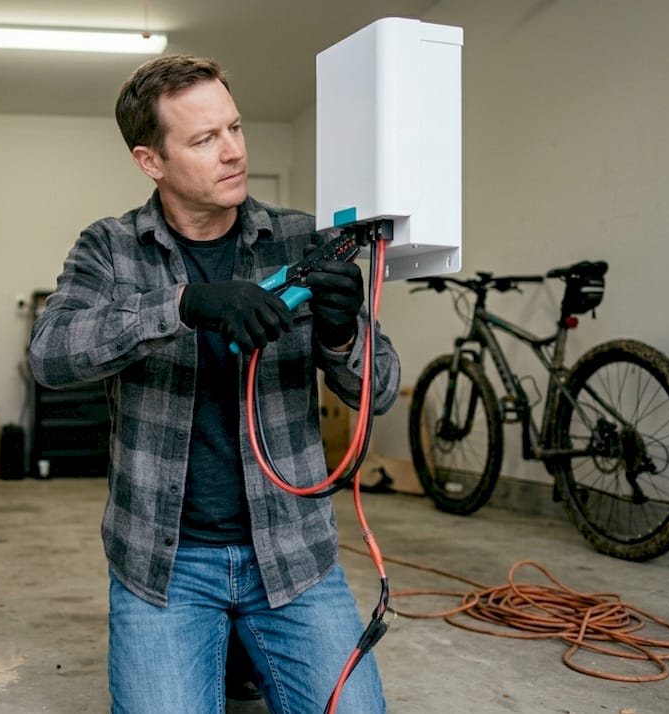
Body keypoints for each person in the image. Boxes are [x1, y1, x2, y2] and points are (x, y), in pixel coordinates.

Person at [29, 54, 401, 713]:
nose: (233, 152)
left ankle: (241, 654)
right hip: (165, 565)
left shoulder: (301, 239)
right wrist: (181, 305)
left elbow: (382, 387)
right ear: (152, 161)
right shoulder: (110, 249)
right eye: (204, 139)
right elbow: (51, 355)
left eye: (234, 128)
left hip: (292, 558)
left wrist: (343, 332)